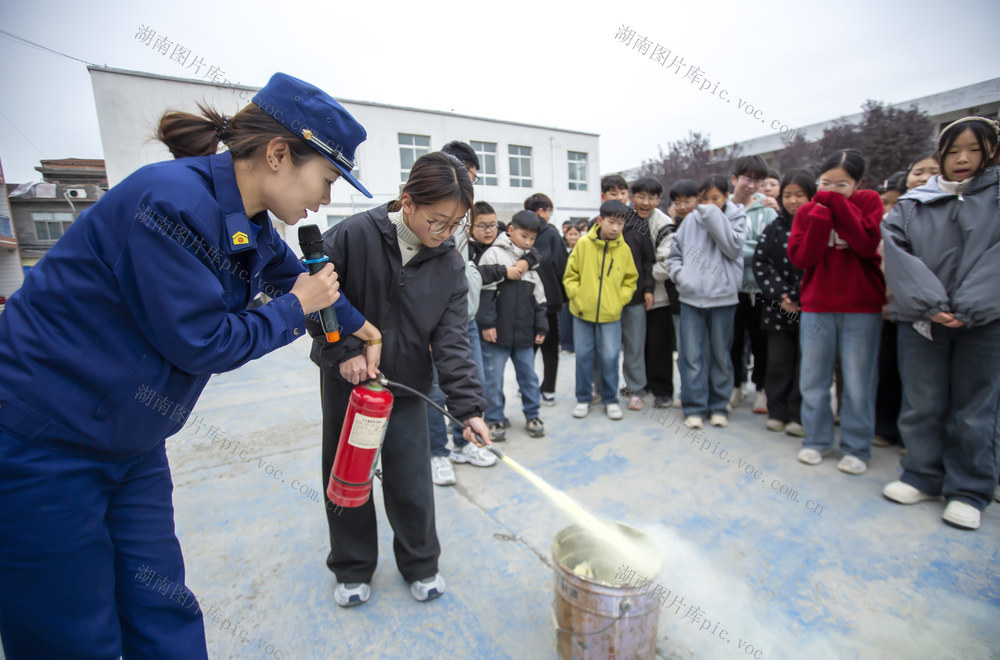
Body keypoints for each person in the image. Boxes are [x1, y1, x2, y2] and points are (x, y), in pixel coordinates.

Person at [0, 72, 381, 657]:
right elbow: (203, 342)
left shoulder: (250, 222)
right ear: (279, 154)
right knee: (72, 626)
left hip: (132, 441)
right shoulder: (168, 203)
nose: (325, 199)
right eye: (326, 179)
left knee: (162, 606)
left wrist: (361, 326)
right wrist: (295, 309)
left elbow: (295, 277)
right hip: (44, 438)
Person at [310, 151, 490, 608]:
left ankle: (421, 563)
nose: (446, 233)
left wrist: (468, 409)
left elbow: (452, 343)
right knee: (347, 478)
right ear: (407, 201)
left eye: (457, 225)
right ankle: (351, 568)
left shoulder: (449, 265)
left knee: (410, 480)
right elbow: (314, 298)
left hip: (406, 387)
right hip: (348, 386)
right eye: (438, 221)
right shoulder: (354, 235)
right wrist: (342, 351)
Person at [881, 116, 1000, 531]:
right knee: (923, 401)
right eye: (953, 151)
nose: (962, 159)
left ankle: (968, 489)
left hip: (984, 320)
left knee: (975, 407)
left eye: (973, 150)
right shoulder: (913, 204)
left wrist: (970, 305)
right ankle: (922, 474)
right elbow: (896, 253)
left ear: (991, 153)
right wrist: (930, 303)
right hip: (921, 318)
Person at [788, 149, 885, 475]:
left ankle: (857, 447)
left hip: (862, 307)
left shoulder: (869, 202)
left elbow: (865, 243)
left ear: (858, 184)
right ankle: (816, 440)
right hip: (817, 306)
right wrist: (820, 213)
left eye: (841, 185)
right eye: (825, 183)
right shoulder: (808, 211)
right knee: (813, 379)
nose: (831, 190)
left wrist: (838, 205)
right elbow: (803, 258)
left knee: (858, 381)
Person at [425, 151, 500, 486]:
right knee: (436, 391)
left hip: (464, 317)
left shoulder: (465, 218)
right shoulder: (429, 217)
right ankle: (437, 453)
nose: (469, 181)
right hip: (432, 323)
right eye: (465, 173)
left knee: (469, 384)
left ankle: (462, 443)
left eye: (473, 175)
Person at [666, 175, 747, 430]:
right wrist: (682, 276)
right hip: (691, 299)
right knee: (691, 356)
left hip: (723, 300)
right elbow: (674, 255)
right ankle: (695, 407)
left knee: (720, 356)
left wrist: (712, 215)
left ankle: (719, 406)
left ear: (726, 197)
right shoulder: (690, 220)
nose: (711, 203)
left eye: (717, 198)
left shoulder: (736, 217)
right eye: (706, 198)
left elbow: (733, 248)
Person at [753, 170, 814, 438]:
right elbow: (761, 262)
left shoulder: (818, 226)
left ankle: (798, 415)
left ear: (811, 196)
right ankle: (777, 412)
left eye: (799, 195)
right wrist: (781, 295)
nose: (793, 201)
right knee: (778, 362)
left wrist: (800, 296)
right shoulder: (774, 228)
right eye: (788, 195)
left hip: (811, 308)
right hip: (779, 307)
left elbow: (820, 265)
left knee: (806, 364)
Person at [564, 200, 638, 420]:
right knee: (584, 357)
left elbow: (630, 279)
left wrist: (620, 300)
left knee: (610, 356)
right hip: (582, 313)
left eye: (620, 223)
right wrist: (578, 297)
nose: (615, 228)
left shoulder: (624, 249)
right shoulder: (584, 244)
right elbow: (571, 275)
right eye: (611, 222)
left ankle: (610, 399)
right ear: (600, 221)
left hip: (611, 314)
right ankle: (583, 398)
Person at [477, 211, 548, 438]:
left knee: (529, 377)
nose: (527, 242)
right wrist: (487, 324)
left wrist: (541, 326)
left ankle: (533, 414)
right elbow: (484, 295)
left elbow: (539, 298)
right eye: (523, 235)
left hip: (525, 335)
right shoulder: (492, 255)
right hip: (496, 335)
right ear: (510, 230)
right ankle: (495, 419)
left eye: (532, 238)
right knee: (493, 379)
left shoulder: (530, 262)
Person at [729, 155, 778, 414]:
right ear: (735, 179)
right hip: (729, 288)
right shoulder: (723, 208)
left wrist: (733, 247)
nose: (752, 185)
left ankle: (761, 389)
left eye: (758, 180)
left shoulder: (768, 211)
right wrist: (749, 247)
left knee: (761, 342)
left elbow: (766, 249)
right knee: (734, 342)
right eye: (747, 178)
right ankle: (736, 386)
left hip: (759, 289)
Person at [634, 178, 676, 409]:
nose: (646, 202)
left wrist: (641, 280)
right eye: (641, 196)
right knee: (638, 344)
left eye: (651, 197)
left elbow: (666, 265)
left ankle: (663, 390)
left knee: (659, 344)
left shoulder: (664, 223)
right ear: (633, 198)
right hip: (632, 297)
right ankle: (642, 384)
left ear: (658, 200)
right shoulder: (627, 220)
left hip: (659, 296)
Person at [525, 192, 567, 407]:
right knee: (550, 348)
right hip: (549, 302)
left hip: (524, 300)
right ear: (541, 211)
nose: (550, 216)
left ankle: (527, 388)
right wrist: (564, 296)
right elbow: (562, 267)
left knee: (526, 348)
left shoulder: (517, 230)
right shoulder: (552, 234)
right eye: (549, 211)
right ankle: (548, 390)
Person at [666, 179, 700, 408]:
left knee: (705, 350)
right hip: (680, 300)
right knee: (685, 351)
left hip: (709, 299)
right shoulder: (672, 229)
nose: (683, 206)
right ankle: (686, 391)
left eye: (687, 201)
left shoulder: (709, 225)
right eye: (677, 202)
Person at [560, 224, 582, 353]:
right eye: (570, 234)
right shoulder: (561, 249)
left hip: (579, 289)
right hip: (564, 289)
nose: (573, 237)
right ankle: (566, 345)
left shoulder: (583, 249)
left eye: (575, 234)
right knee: (565, 319)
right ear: (566, 235)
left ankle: (577, 345)